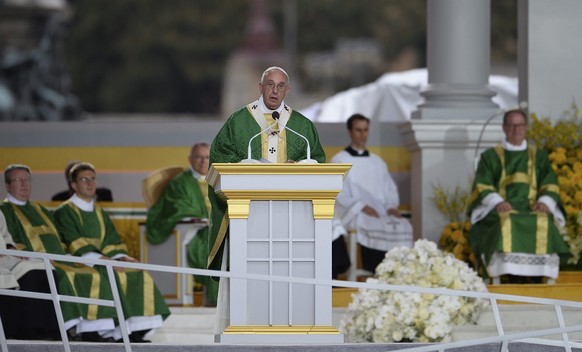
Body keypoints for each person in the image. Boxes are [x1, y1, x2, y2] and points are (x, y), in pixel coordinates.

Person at [207, 66, 326, 273]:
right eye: (270, 85)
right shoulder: (239, 122)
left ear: (287, 90)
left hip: (292, 217)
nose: (274, 91)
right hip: (249, 212)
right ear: (261, 87)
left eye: (280, 86)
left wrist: (297, 167)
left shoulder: (302, 126)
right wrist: (250, 167)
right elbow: (220, 158)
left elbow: (317, 160)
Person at [53, 162, 170, 342]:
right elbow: (72, 240)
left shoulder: (100, 212)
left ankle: (135, 329)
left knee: (137, 273)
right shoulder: (64, 211)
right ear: (74, 185)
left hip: (104, 259)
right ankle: (97, 331)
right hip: (79, 260)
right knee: (105, 275)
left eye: (93, 179)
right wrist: (100, 259)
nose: (90, 183)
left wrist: (121, 257)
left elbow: (111, 240)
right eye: (84, 179)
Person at [0, 164, 117, 342]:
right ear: (7, 185)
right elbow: (11, 243)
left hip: (58, 258)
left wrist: (68, 256)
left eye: (27, 180)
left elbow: (58, 238)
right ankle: (58, 329)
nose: (24, 185)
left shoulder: (41, 209)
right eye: (18, 180)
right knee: (60, 274)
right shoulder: (5, 210)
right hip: (34, 261)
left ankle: (91, 330)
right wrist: (37, 257)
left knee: (91, 272)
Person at [467, 109, 570, 283]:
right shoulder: (490, 156)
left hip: (532, 205)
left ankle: (540, 277)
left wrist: (544, 201)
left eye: (520, 124)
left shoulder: (539, 156)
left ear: (526, 127)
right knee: (506, 221)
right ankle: (505, 276)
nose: (516, 129)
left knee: (543, 220)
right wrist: (497, 202)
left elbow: (550, 182)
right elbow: (482, 183)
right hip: (502, 206)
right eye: (511, 125)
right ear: (504, 127)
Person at [331, 113, 413, 275]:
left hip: (380, 211)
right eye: (358, 130)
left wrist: (390, 206)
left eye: (366, 130)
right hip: (353, 211)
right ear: (350, 132)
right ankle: (374, 269)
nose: (363, 135)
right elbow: (337, 191)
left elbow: (389, 189)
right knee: (369, 222)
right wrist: (361, 206)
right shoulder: (339, 160)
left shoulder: (377, 162)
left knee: (402, 224)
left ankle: (398, 273)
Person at [145, 142, 218, 306]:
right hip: (197, 232)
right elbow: (176, 206)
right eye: (198, 157)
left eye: (207, 157)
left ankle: (231, 301)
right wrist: (202, 219)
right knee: (218, 248)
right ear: (190, 159)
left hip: (219, 229)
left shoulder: (217, 180)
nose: (203, 161)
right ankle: (215, 301)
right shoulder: (180, 182)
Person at [0, 210, 60, 341]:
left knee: (46, 266)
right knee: (28, 269)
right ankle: (29, 329)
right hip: (2, 262)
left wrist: (12, 249)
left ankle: (52, 329)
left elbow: (5, 237)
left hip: (5, 257)